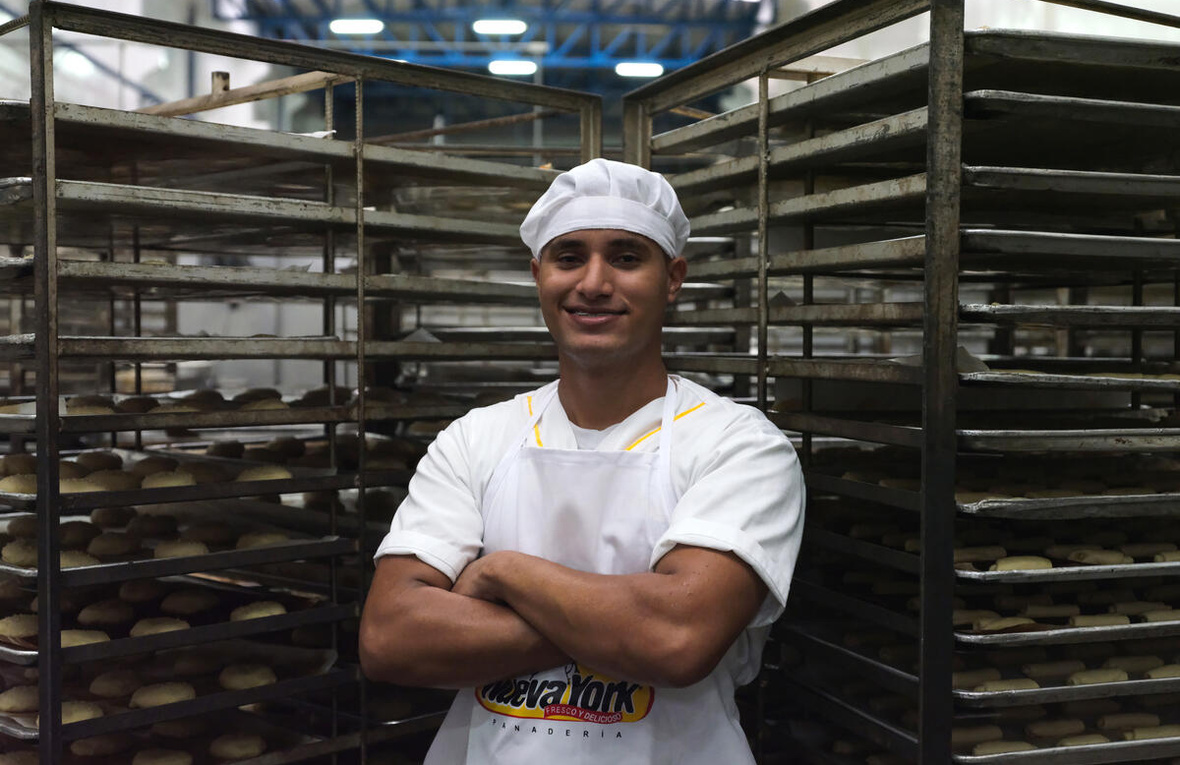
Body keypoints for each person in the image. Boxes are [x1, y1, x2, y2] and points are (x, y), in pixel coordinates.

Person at [359, 158, 805, 764]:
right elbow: (391, 638)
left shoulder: (737, 446)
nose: (593, 283)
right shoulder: (476, 439)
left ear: (673, 278)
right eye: (569, 257)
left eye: (625, 257)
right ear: (538, 273)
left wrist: (505, 574)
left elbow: (676, 641)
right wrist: (621, 627)